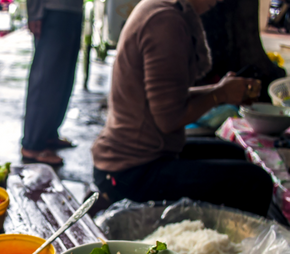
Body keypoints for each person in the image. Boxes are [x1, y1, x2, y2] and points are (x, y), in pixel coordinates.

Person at [91, 0, 273, 217]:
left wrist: (221, 90)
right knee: (256, 182)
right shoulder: (165, 22)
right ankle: (230, 244)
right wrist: (220, 94)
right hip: (130, 170)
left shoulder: (166, 10)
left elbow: (171, 99)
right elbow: (169, 119)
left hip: (144, 153)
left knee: (235, 152)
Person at [21, 0, 84, 166]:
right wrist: (34, 13)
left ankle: (48, 133)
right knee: (46, 77)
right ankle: (32, 144)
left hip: (72, 8)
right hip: (51, 9)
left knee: (63, 77)